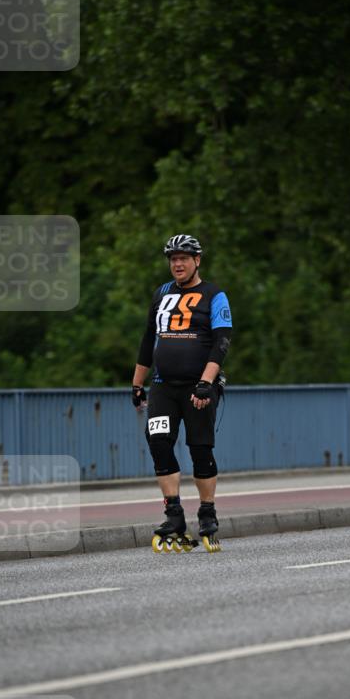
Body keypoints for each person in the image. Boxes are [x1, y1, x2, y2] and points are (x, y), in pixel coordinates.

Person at [132, 234, 233, 552]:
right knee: (158, 441)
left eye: (184, 258)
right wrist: (137, 383)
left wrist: (206, 382)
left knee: (199, 448)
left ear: (197, 260)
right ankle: (174, 515)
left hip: (198, 387)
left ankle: (207, 513)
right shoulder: (161, 293)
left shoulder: (215, 295)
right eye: (173, 259)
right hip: (163, 385)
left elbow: (222, 342)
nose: (177, 263)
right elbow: (149, 339)